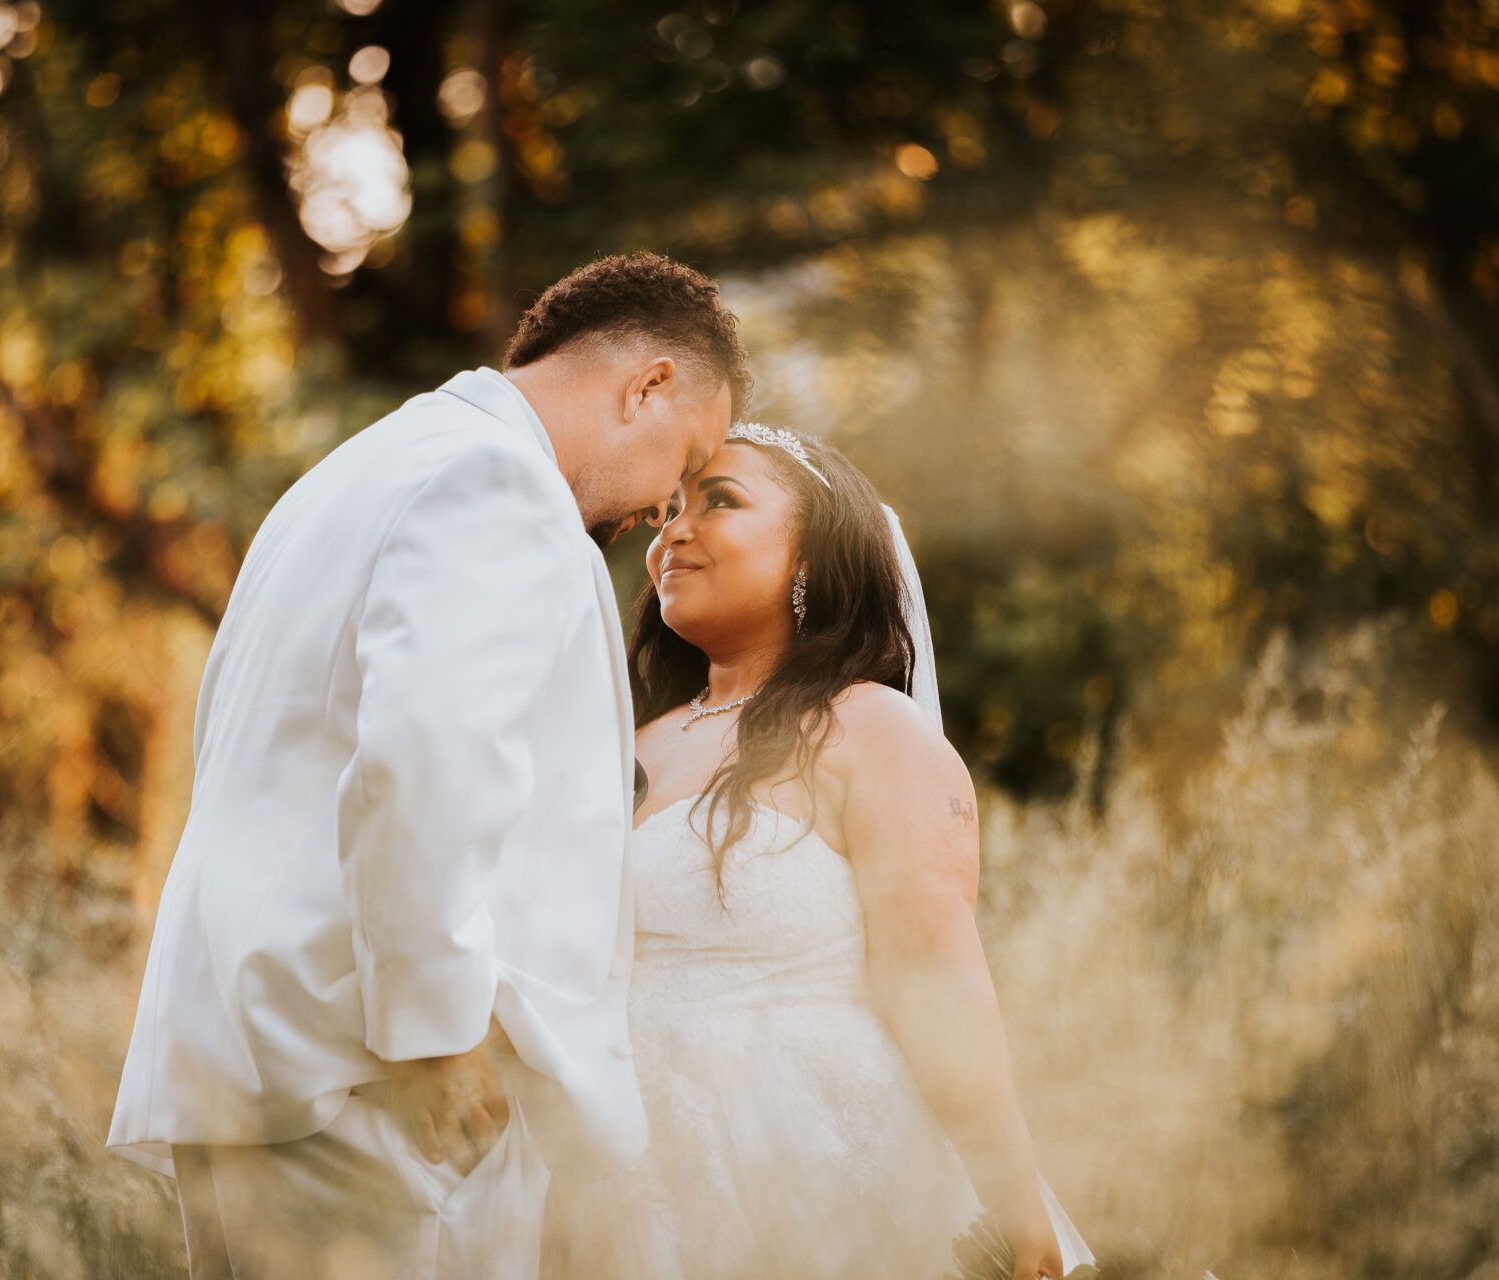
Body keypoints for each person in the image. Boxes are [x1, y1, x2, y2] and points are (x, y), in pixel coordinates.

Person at [107, 253, 750, 1280]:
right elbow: (424, 755)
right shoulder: (493, 482)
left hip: (256, 1049)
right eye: (686, 464)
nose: (662, 511)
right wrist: (431, 1028)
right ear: (649, 385)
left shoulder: (359, 470)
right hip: (380, 1083)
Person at [541, 424, 1094, 1280]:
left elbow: (938, 980)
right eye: (674, 508)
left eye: (720, 501)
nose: (675, 530)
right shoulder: (627, 743)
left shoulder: (869, 730)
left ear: (811, 558)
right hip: (625, 1185)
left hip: (813, 1173)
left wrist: (1010, 1196)